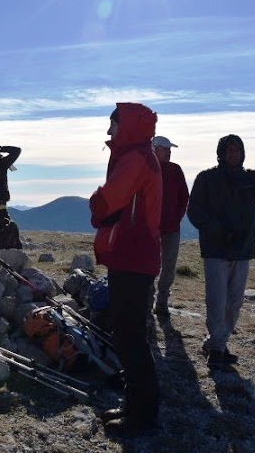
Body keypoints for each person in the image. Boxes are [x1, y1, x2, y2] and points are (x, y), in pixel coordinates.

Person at [89, 103, 162, 435]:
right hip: (133, 256)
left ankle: (141, 416)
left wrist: (95, 204)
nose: (109, 131)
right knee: (130, 333)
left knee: (130, 336)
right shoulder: (141, 155)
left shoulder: (135, 159)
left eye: (113, 125)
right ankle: (135, 405)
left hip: (133, 256)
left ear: (128, 126)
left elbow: (107, 201)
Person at [187, 134, 255, 369]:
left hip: (241, 248)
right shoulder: (206, 178)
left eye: (237, 150)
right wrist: (216, 230)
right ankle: (217, 348)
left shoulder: (251, 178)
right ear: (221, 153)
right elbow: (194, 210)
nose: (233, 154)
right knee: (217, 300)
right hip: (216, 249)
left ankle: (217, 343)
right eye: (229, 150)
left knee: (234, 301)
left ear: (243, 153)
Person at [150, 135, 189, 317]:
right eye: (166, 149)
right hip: (150, 229)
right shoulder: (147, 168)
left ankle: (162, 303)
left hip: (171, 228)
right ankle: (147, 300)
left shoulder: (175, 170)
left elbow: (184, 196)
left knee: (168, 267)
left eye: (169, 149)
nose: (169, 152)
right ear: (155, 149)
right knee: (149, 265)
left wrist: (176, 218)